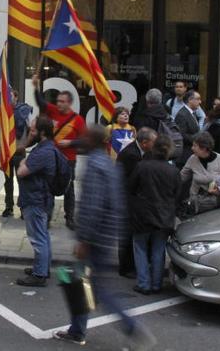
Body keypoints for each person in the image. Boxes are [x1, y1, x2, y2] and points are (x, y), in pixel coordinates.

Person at [56, 125, 155, 347]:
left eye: (85, 137)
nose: (82, 139)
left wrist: (84, 240)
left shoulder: (94, 166)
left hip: (95, 239)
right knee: (84, 283)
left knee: (92, 287)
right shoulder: (110, 164)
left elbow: (93, 206)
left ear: (93, 141)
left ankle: (129, 327)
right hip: (106, 235)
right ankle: (77, 329)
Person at [15, 116, 67, 287]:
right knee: (42, 235)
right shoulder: (46, 147)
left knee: (38, 238)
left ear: (42, 132)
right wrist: (31, 139)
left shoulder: (43, 152)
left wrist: (24, 159)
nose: (30, 133)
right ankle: (43, 267)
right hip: (41, 198)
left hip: (36, 199)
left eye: (33, 131)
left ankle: (39, 275)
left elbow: (21, 171)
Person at [32, 72, 86, 230]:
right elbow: (41, 103)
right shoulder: (53, 111)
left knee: (69, 190)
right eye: (58, 101)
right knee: (49, 188)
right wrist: (35, 87)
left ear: (69, 103)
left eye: (62, 102)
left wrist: (70, 142)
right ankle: (47, 217)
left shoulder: (78, 120)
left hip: (68, 160)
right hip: (52, 158)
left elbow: (84, 140)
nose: (59, 104)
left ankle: (70, 218)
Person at [128, 135, 179, 295]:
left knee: (140, 248)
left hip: (142, 214)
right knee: (158, 250)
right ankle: (156, 283)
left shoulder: (142, 166)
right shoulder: (173, 171)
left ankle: (144, 283)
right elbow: (177, 194)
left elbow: (130, 188)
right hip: (164, 215)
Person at [115, 127, 157, 278]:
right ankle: (125, 268)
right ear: (145, 142)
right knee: (126, 235)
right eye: (154, 142)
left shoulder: (143, 152)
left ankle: (131, 265)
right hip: (126, 199)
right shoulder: (131, 155)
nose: (155, 144)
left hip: (134, 199)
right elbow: (133, 180)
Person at [180, 132, 220, 209]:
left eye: (195, 146)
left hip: (215, 204)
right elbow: (181, 177)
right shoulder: (192, 159)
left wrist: (219, 191)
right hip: (196, 203)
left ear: (204, 148)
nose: (192, 148)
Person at [3, 90, 33, 217]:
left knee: (22, 182)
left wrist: (25, 145)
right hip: (7, 152)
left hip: (19, 151)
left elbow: (31, 129)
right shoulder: (4, 111)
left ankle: (23, 207)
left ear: (16, 97)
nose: (8, 98)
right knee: (8, 181)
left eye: (10, 96)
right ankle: (9, 206)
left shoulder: (24, 110)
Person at [174, 90, 203, 167]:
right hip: (184, 157)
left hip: (191, 155)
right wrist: (197, 137)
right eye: (198, 99)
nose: (200, 102)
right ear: (190, 100)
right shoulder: (182, 114)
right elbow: (181, 135)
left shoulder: (192, 113)